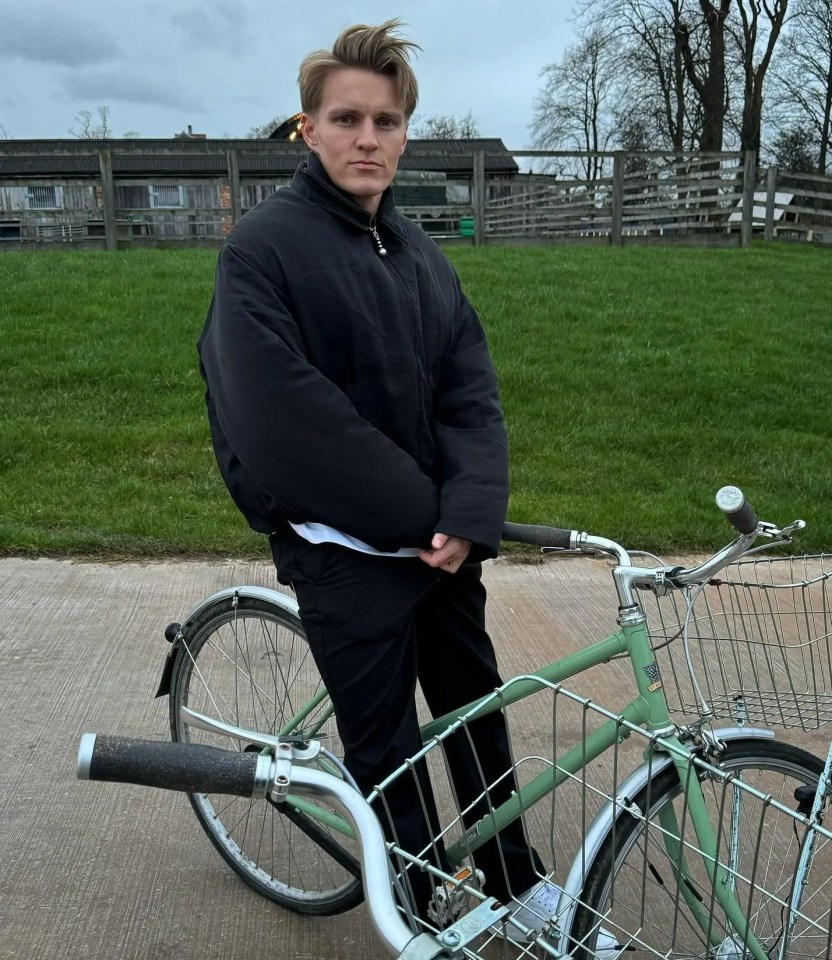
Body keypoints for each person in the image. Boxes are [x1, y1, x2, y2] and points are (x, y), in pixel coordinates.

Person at [198, 18, 558, 937]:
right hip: (345, 549)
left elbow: (469, 391)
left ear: (405, 133)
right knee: (388, 750)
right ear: (307, 129)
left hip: (440, 545)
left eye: (387, 121)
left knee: (476, 716)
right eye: (348, 119)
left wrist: (468, 513)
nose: (369, 138)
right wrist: (421, 515)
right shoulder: (263, 251)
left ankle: (515, 885)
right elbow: (286, 420)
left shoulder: (422, 257)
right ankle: (423, 904)